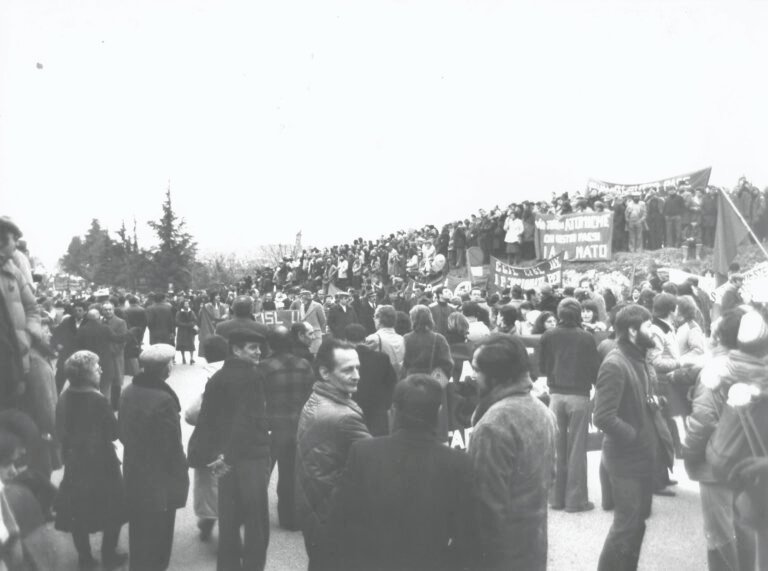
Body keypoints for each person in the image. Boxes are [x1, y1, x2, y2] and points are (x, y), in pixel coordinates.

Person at [328, 374, 478, 571]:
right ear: (439, 412)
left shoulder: (364, 453)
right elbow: (467, 535)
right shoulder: (460, 463)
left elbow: (340, 517)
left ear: (394, 410)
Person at [468, 335, 556, 570]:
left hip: (502, 550)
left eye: (477, 370)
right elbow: (551, 475)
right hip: (534, 540)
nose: (473, 376)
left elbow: (485, 502)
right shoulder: (543, 411)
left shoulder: (493, 424)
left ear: (495, 376)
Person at [683, 307, 755, 571]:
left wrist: (691, 456)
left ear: (720, 335)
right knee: (746, 529)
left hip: (717, 464)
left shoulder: (716, 370)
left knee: (720, 536)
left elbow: (702, 423)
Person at [195, 320, 271, 571]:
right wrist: (229, 455)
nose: (258, 352)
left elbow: (206, 419)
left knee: (229, 520)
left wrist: (216, 455)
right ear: (236, 350)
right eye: (252, 348)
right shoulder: (253, 377)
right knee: (256, 521)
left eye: (259, 348)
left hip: (224, 461)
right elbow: (247, 422)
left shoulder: (217, 377)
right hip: (250, 458)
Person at [295, 338, 371, 571]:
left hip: (316, 509)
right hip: (333, 515)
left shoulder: (318, 398)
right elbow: (377, 462)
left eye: (358, 367)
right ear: (325, 373)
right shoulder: (344, 416)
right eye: (348, 369)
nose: (357, 375)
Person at [593, 305, 659, 571]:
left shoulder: (636, 357)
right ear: (633, 330)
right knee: (625, 526)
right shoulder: (615, 363)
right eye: (648, 325)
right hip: (625, 459)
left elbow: (631, 402)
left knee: (637, 522)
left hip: (640, 457)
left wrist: (653, 403)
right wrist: (634, 435)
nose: (652, 330)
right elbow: (603, 416)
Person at [706, 309, 768, 568]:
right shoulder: (761, 377)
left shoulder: (718, 369)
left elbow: (701, 419)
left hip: (727, 460)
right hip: (755, 467)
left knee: (733, 528)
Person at [119, 344, 189, 571]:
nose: (172, 365)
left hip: (134, 471)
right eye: (170, 362)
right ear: (163, 368)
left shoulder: (129, 390)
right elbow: (172, 446)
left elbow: (122, 432)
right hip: (159, 478)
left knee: (139, 528)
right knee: (160, 535)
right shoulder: (164, 399)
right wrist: (181, 475)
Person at [55, 351, 127, 571]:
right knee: (113, 507)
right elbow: (114, 433)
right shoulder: (98, 399)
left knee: (78, 511)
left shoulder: (65, 396)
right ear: (86, 374)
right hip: (102, 462)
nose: (101, 370)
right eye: (97, 368)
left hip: (75, 462)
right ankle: (108, 555)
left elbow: (60, 429)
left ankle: (85, 558)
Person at [539, 298, 600, 513]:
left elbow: (542, 366)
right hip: (580, 396)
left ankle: (555, 498)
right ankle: (576, 500)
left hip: (556, 395)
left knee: (556, 447)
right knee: (577, 448)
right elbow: (595, 369)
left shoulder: (548, 336)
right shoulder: (586, 338)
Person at [261, 326, 314, 532]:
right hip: (297, 424)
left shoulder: (264, 366)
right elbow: (311, 393)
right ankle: (290, 518)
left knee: (262, 473)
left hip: (272, 425)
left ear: (270, 344)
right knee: (290, 474)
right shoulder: (304, 364)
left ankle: (253, 516)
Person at [184, 335, 228, 541]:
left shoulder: (205, 377)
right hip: (234, 437)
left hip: (209, 438)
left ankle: (208, 520)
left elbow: (192, 414)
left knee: (208, 483)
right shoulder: (241, 373)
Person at [0, 217, 41, 408]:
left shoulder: (13, 271)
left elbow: (32, 308)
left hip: (14, 364)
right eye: (13, 239)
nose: (16, 245)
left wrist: (28, 336)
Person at [344, 324, 397, 437]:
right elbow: (392, 383)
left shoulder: (343, 360)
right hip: (377, 412)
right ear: (365, 339)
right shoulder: (382, 358)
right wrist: (385, 404)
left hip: (350, 410)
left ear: (345, 340)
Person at [101, 302, 128, 411]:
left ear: (113, 310)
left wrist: (113, 351)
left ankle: (115, 404)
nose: (108, 312)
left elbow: (122, 340)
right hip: (103, 356)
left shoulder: (120, 322)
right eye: (105, 310)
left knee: (116, 380)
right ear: (102, 311)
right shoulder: (100, 322)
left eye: (110, 309)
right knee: (105, 379)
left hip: (115, 355)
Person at [364, 304, 405, 378]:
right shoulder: (402, 339)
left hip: (381, 383)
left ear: (379, 319)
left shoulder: (373, 339)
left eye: (374, 317)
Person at [290, 290, 327, 355]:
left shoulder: (317, 305)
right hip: (305, 336)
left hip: (315, 335)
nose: (301, 299)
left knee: (316, 354)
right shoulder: (301, 306)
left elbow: (323, 320)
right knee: (306, 354)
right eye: (300, 297)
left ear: (306, 298)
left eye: (302, 297)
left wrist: (318, 329)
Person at [198, 292, 224, 359]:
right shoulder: (206, 306)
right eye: (217, 295)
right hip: (210, 326)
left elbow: (223, 315)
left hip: (219, 325)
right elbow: (201, 316)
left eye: (219, 295)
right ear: (213, 297)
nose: (218, 297)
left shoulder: (222, 306)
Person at [174, 298, 197, 365]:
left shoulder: (192, 312)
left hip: (190, 331)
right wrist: (186, 325)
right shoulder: (179, 313)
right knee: (182, 345)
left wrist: (192, 323)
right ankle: (183, 357)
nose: (187, 305)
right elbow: (177, 322)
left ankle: (191, 358)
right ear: (182, 305)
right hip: (182, 331)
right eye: (186, 304)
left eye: (188, 304)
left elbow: (195, 319)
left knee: (191, 344)